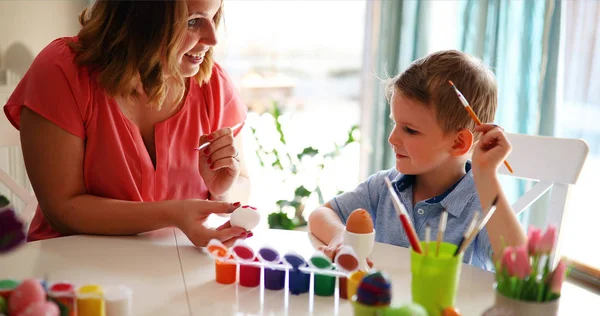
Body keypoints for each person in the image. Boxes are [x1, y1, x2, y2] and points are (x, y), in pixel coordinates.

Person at [2, 0, 252, 247]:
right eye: (193, 22)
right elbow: (62, 210)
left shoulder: (213, 86)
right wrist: (172, 213)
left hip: (170, 271)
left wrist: (222, 192)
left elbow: (243, 184)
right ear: (139, 20)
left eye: (214, 17)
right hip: (74, 273)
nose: (212, 39)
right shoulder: (61, 70)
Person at [308, 50, 526, 270]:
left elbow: (520, 269)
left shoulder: (483, 202)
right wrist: (340, 238)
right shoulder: (385, 187)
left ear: (458, 143)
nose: (392, 138)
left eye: (410, 130)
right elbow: (321, 215)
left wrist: (487, 175)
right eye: (395, 123)